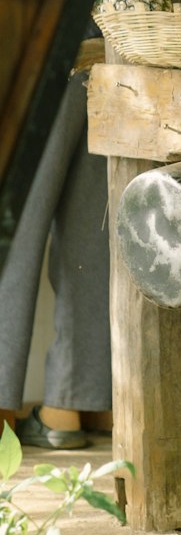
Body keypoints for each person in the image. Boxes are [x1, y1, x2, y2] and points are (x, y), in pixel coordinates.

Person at [0, 66, 112, 450]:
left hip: (37, 37)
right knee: (91, 229)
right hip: (109, 40)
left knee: (14, 225)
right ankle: (67, 407)